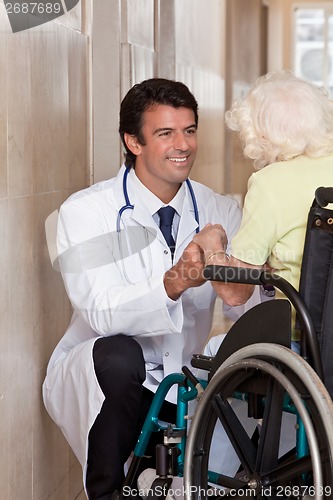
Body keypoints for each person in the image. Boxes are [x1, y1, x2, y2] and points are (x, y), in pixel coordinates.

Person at [42, 78, 253, 500]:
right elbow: (100, 311)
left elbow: (244, 311)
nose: (183, 144)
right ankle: (105, 492)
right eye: (165, 133)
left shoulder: (220, 211)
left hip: (183, 382)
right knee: (120, 355)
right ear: (133, 141)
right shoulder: (86, 213)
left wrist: (245, 277)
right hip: (108, 379)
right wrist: (175, 282)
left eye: (189, 130)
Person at [194, 70, 333, 343]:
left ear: (260, 135)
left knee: (214, 350)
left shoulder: (269, 184)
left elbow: (237, 293)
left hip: (305, 343)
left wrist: (211, 245)